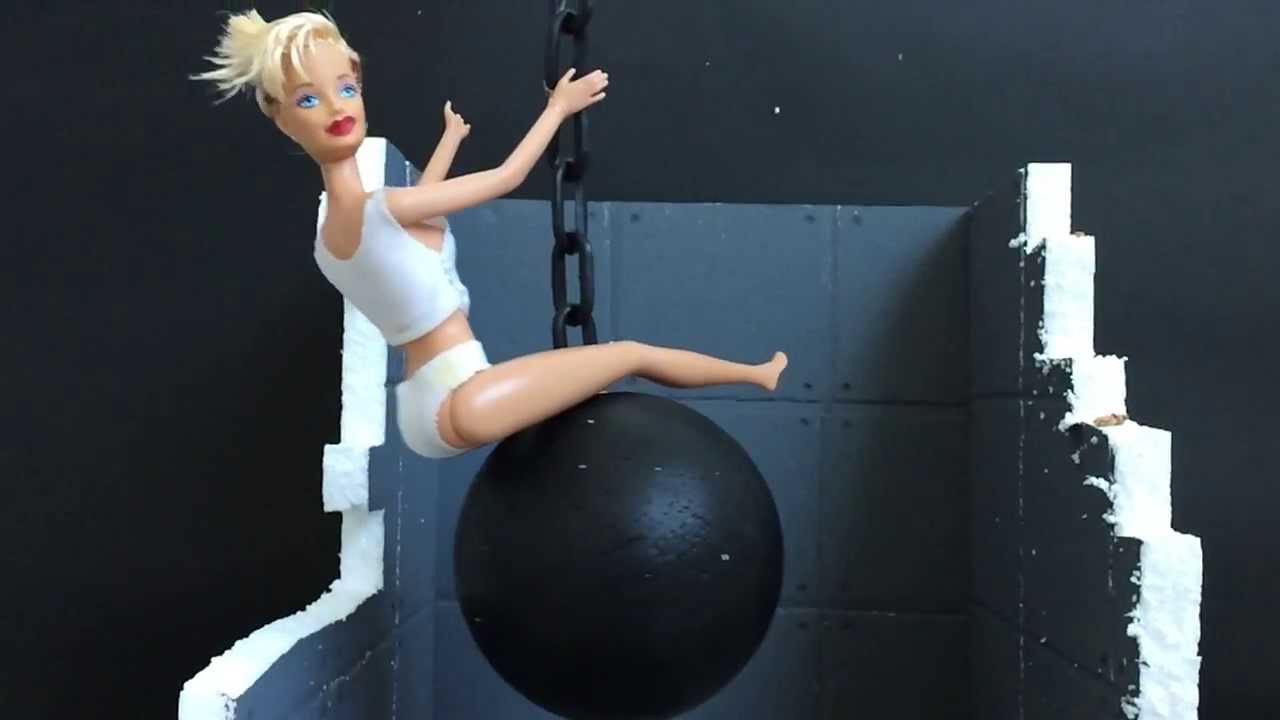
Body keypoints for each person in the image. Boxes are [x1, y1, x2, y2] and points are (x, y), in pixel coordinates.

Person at [193, 9, 788, 459]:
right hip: (461, 400)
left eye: (346, 88)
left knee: (601, 374)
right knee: (629, 354)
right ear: (280, 118)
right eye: (308, 99)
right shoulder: (378, 209)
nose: (336, 107)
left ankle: (754, 374)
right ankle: (756, 374)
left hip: (430, 400)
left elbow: (414, 225)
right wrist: (558, 108)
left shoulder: (333, 240)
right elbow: (506, 176)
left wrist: (449, 141)